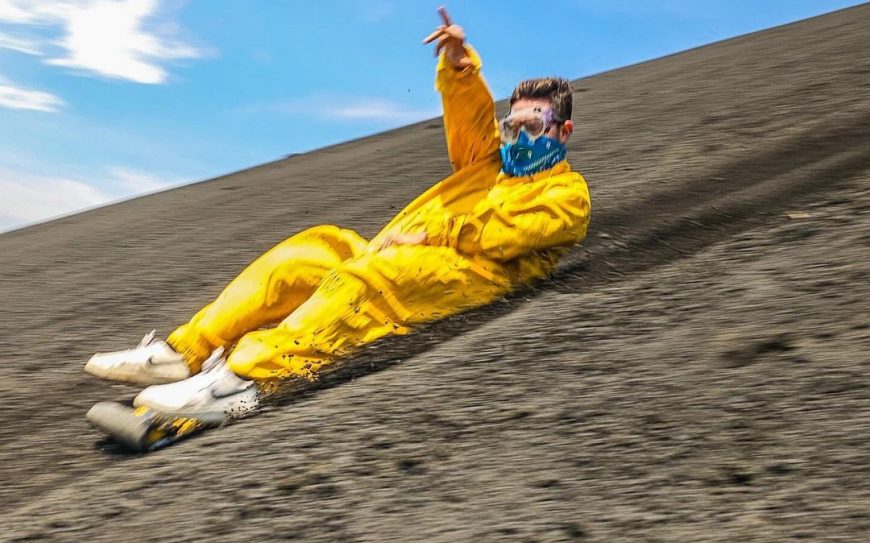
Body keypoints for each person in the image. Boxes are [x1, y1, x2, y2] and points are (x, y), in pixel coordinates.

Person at [85, 7, 591, 423]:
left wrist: (426, 238)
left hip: (476, 279)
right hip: (403, 254)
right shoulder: (485, 163)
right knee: (311, 252)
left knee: (365, 279)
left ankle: (240, 383)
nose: (519, 137)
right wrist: (461, 67)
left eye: (535, 125)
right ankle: (182, 355)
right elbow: (468, 118)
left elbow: (506, 238)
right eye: (513, 124)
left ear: (562, 132)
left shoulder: (568, 195)